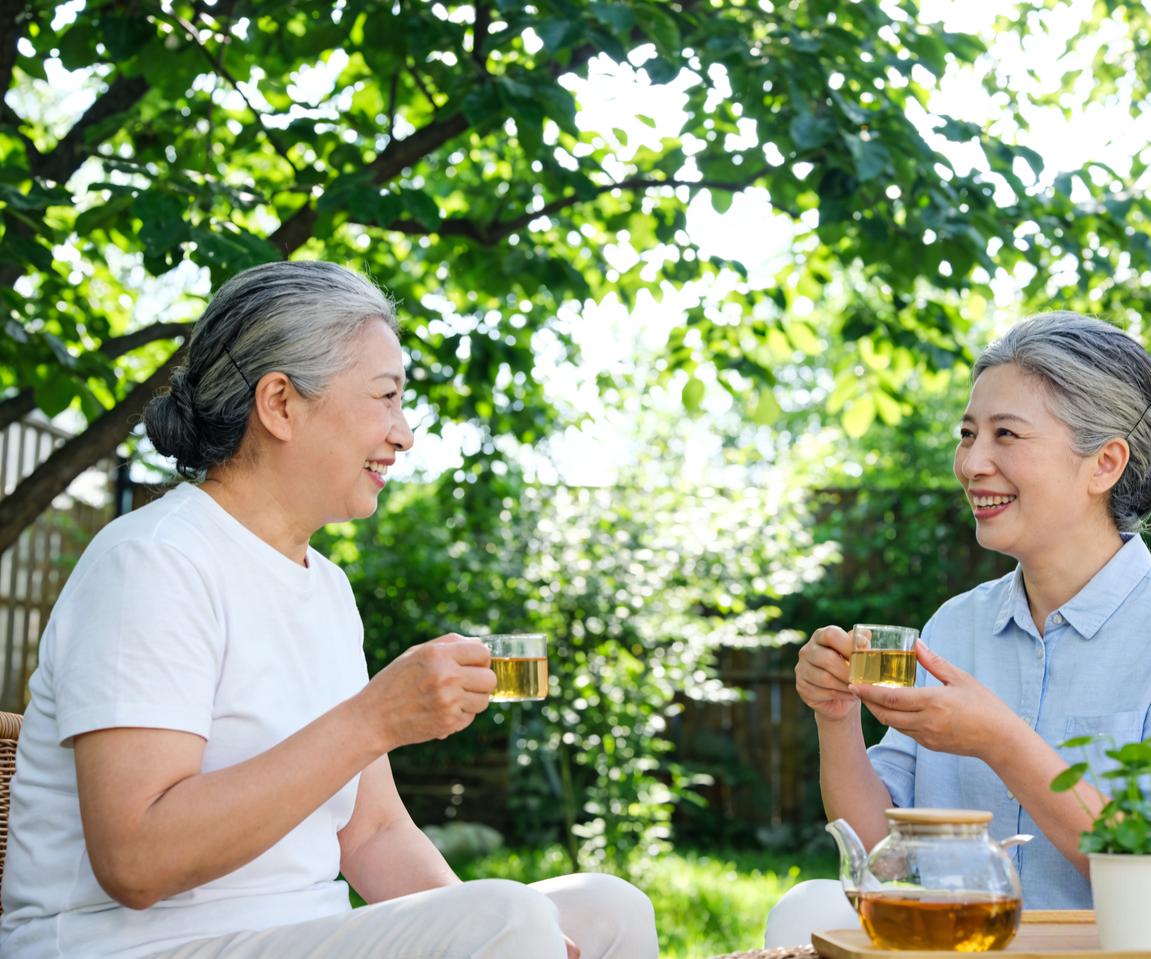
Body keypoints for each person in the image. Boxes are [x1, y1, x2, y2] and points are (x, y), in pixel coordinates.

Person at [0, 261, 659, 959]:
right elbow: (134, 859)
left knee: (606, 908)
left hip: (293, 939)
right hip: (133, 947)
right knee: (507, 915)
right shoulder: (153, 561)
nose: (404, 434)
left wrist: (500, 930)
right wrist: (373, 718)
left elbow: (371, 832)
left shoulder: (326, 588)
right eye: (385, 397)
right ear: (281, 403)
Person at [766, 312, 1151, 946]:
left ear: (1105, 463)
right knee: (806, 905)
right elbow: (878, 851)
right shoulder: (956, 626)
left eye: (1007, 434)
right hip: (960, 944)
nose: (972, 462)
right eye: (968, 433)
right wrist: (835, 714)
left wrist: (1000, 740)